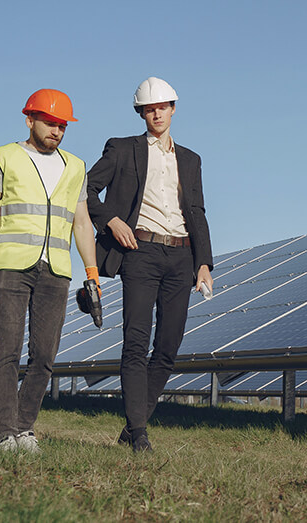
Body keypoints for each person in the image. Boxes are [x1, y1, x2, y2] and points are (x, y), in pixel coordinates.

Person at [0, 88, 99, 453]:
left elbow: (82, 223)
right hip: (9, 265)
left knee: (44, 356)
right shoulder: (4, 156)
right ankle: (3, 432)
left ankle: (24, 428)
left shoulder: (76, 167)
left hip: (56, 269)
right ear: (30, 120)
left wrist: (92, 271)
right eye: (50, 123)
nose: (57, 131)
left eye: (62, 126)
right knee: (6, 350)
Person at [87, 76, 213, 452]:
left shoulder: (191, 160)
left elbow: (198, 211)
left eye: (162, 107)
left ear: (173, 109)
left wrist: (204, 263)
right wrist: (111, 220)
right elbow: (86, 188)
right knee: (136, 342)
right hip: (139, 252)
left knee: (169, 345)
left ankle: (134, 423)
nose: (156, 114)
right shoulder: (122, 149)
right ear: (141, 113)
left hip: (182, 256)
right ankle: (139, 432)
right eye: (149, 109)